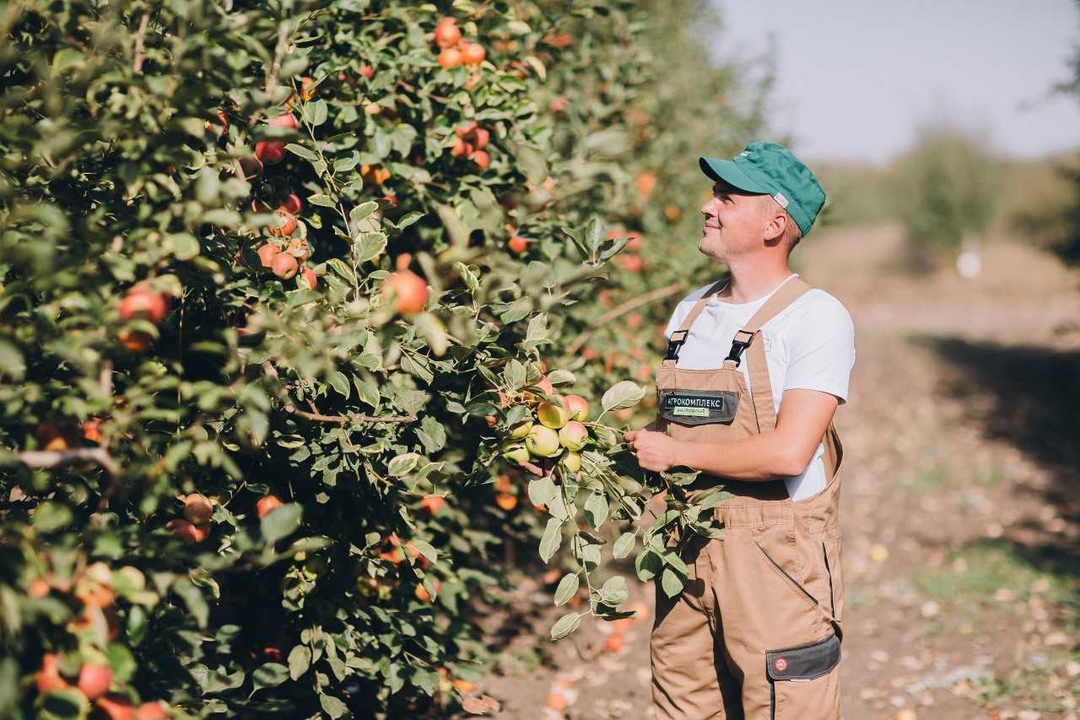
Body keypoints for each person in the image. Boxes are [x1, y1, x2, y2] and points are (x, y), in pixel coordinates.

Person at [624, 141, 855, 720]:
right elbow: (666, 434)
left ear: (776, 223)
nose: (708, 206)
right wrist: (582, 454)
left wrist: (672, 452)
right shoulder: (690, 313)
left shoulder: (815, 316)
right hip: (685, 546)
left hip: (776, 560)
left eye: (727, 197)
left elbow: (789, 452)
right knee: (682, 706)